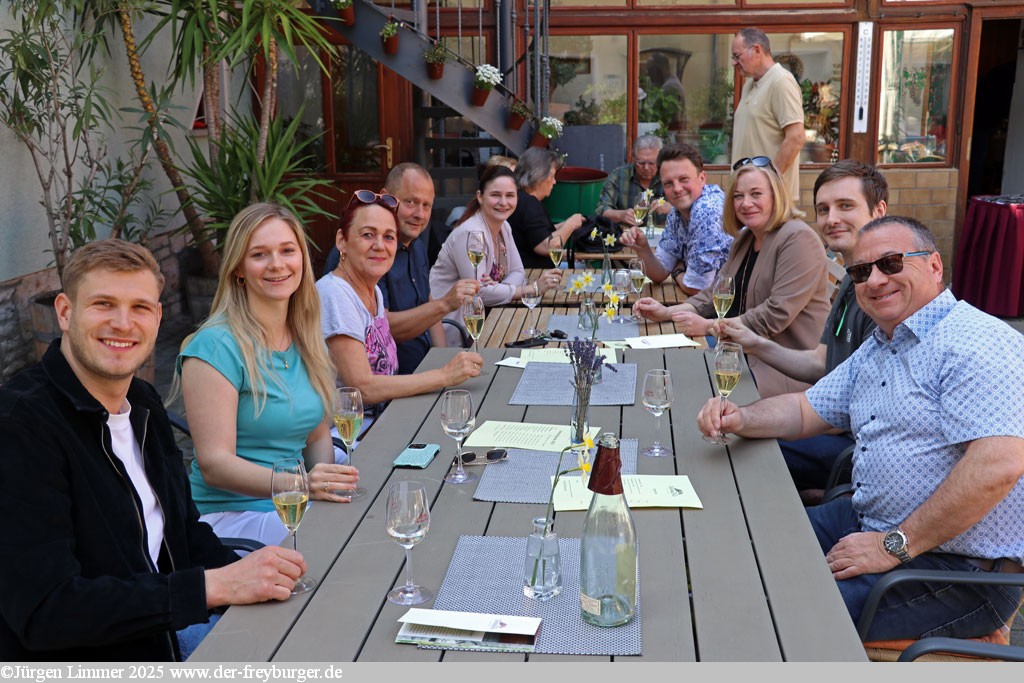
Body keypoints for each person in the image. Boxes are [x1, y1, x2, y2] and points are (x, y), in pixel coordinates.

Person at [696, 216, 1024, 642]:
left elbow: (999, 465)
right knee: (743, 545)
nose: (875, 280)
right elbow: (805, 410)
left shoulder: (976, 341)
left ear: (934, 266)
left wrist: (893, 545)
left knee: (774, 616)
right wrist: (740, 418)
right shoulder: (884, 343)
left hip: (959, 571)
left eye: (891, 263)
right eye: (861, 271)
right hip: (869, 520)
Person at [0, 239, 309, 661]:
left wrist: (254, 575)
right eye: (104, 304)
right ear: (65, 312)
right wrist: (212, 588)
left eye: (140, 307)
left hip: (169, 636)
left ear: (159, 318)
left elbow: (185, 531)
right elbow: (46, 611)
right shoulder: (20, 425)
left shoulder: (142, 402)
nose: (123, 323)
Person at [179, 203, 357, 547]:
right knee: (353, 544)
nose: (277, 264)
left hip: (291, 504)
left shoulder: (303, 334)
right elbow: (215, 464)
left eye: (287, 250)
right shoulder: (215, 346)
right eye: (259, 254)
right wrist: (302, 485)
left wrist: (323, 490)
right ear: (238, 269)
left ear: (302, 259)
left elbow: (317, 435)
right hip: (231, 517)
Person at [718, 161, 888, 500]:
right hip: (830, 423)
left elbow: (858, 405)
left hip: (858, 447)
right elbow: (819, 364)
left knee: (738, 453)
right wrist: (754, 343)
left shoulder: (884, 289)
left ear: (879, 211)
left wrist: (760, 419)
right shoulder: (852, 279)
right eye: (823, 209)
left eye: (845, 206)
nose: (831, 218)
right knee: (730, 439)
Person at [635, 157, 830, 398]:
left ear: (776, 195)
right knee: (663, 375)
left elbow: (774, 315)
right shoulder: (746, 238)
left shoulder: (798, 239)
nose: (746, 203)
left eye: (756, 194)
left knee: (684, 390)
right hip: (738, 354)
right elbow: (716, 293)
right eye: (738, 196)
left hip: (786, 370)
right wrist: (667, 312)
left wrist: (710, 327)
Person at [317, 191, 483, 416]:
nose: (379, 245)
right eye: (367, 235)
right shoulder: (335, 294)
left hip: (389, 414)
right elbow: (363, 388)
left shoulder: (373, 291)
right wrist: (444, 376)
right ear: (341, 241)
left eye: (389, 237)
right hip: (352, 431)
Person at [326, 165, 480, 375]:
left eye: (426, 205)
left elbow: (428, 303)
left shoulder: (417, 246)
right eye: (411, 202)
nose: (420, 214)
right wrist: (444, 305)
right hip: (399, 380)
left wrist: (445, 359)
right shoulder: (366, 258)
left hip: (424, 370)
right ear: (386, 197)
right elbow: (380, 329)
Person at [431, 165, 563, 332]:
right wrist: (530, 289)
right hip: (455, 327)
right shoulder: (471, 233)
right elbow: (479, 293)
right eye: (495, 195)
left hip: (485, 319)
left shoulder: (504, 227)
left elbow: (518, 271)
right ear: (480, 197)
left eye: (510, 195)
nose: (503, 202)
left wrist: (498, 288)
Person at [620, 143, 732, 295]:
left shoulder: (707, 210)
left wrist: (677, 271)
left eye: (684, 179)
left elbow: (698, 288)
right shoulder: (676, 212)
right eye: (668, 183)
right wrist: (643, 247)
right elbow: (659, 273)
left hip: (737, 304)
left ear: (702, 178)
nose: (677, 189)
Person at [730, 27, 806, 208]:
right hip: (749, 197)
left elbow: (796, 137)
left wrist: (769, 183)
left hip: (771, 199)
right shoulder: (749, 85)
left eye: (737, 56)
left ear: (757, 50)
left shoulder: (781, 81)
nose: (734, 63)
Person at [507, 147, 585, 269]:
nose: (554, 182)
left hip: (525, 268)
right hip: (534, 273)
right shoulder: (530, 204)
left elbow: (535, 233)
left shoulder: (521, 199)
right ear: (539, 176)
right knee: (585, 270)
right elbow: (546, 247)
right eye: (552, 176)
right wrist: (571, 224)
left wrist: (564, 225)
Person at [595, 134, 672, 229]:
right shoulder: (619, 176)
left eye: (652, 163)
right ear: (633, 158)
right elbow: (601, 209)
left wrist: (671, 208)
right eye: (641, 163)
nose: (646, 168)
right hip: (627, 234)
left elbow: (688, 208)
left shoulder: (670, 176)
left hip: (663, 234)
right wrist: (620, 215)